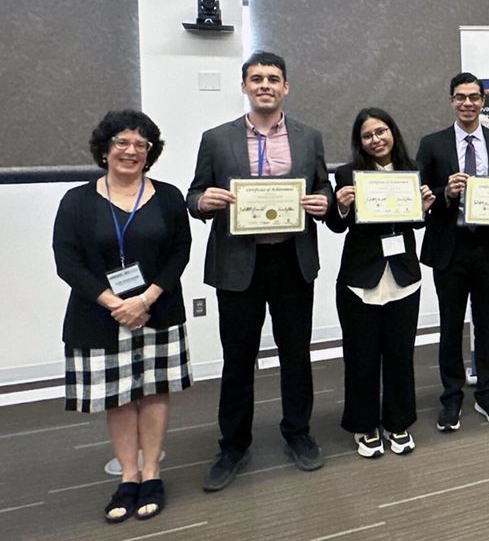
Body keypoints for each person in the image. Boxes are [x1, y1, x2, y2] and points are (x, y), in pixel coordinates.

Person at [187, 51, 332, 492]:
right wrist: (202, 204)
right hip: (237, 266)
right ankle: (233, 444)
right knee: (237, 359)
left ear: (286, 86)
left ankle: (298, 433)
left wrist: (324, 202)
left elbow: (323, 185)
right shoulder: (216, 139)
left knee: (296, 354)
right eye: (256, 78)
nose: (265, 85)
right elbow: (194, 194)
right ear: (245, 86)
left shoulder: (309, 138)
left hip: (291, 259)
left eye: (273, 78)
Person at [53, 110, 191, 522]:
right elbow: (67, 261)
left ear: (150, 152)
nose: (131, 151)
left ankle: (151, 472)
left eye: (140, 145)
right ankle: (127, 476)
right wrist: (116, 303)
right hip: (101, 315)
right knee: (118, 397)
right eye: (122, 142)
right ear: (104, 148)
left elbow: (179, 253)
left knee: (152, 391)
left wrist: (145, 299)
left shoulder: (167, 196)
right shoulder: (77, 200)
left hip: (157, 310)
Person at [417, 72, 489, 431]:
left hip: (488, 248)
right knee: (450, 327)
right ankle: (451, 398)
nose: (467, 103)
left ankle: (487, 394)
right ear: (451, 100)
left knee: (486, 324)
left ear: (483, 101)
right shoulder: (432, 144)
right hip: (450, 247)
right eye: (461, 97)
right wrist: (445, 191)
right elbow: (419, 197)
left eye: (474, 97)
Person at [327, 108, 435, 457]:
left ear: (393, 132)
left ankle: (397, 422)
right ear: (360, 142)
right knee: (361, 356)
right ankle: (364, 425)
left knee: (400, 354)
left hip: (402, 275)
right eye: (367, 135)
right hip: (361, 277)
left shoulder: (412, 170)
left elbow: (414, 223)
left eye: (381, 131)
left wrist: (424, 208)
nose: (376, 140)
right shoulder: (346, 173)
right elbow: (335, 225)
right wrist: (340, 207)